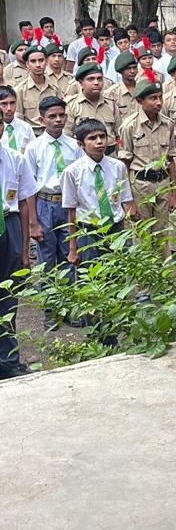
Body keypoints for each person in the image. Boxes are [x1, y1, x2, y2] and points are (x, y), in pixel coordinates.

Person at [62, 119, 138, 268]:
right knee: (92, 274)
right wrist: (73, 247)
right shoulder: (72, 172)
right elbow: (71, 211)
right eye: (92, 138)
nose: (99, 142)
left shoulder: (118, 166)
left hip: (115, 228)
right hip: (89, 231)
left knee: (119, 274)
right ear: (81, 144)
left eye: (102, 136)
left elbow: (126, 199)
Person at [25, 95, 81, 286]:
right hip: (44, 203)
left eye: (61, 115)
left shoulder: (74, 145)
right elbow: (29, 186)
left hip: (68, 204)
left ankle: (69, 308)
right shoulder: (34, 147)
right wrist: (33, 222)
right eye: (52, 116)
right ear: (42, 120)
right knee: (46, 258)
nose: (58, 120)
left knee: (69, 254)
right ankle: (50, 311)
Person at [118, 79, 176, 256]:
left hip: (163, 183)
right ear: (140, 101)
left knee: (162, 234)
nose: (158, 102)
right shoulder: (129, 126)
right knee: (141, 235)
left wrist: (174, 193)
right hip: (140, 185)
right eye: (152, 98)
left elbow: (171, 159)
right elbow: (124, 165)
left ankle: (162, 277)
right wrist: (128, 201)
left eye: (160, 97)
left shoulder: (168, 124)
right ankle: (141, 283)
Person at [0, 114, 36, 377]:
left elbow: (23, 203)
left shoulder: (15, 159)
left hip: (8, 225)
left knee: (7, 296)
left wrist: (24, 249)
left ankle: (9, 359)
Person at [65, 63, 120, 149]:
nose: (96, 83)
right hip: (83, 155)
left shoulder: (111, 104)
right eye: (91, 79)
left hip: (109, 154)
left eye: (99, 79)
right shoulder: (72, 105)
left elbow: (119, 134)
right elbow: (67, 136)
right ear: (81, 83)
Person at [15, 46, 56, 135]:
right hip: (31, 134)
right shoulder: (20, 90)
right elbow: (18, 120)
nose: (38, 65)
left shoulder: (54, 87)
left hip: (52, 133)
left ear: (47, 62)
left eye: (41, 60)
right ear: (27, 64)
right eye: (33, 61)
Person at [107, 52, 140, 124]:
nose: (132, 71)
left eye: (134, 67)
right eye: (128, 68)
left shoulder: (142, 89)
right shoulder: (111, 93)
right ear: (121, 70)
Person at [0, 85, 35, 152]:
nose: (9, 108)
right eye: (4, 104)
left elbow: (34, 152)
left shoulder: (26, 127)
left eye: (12, 103)